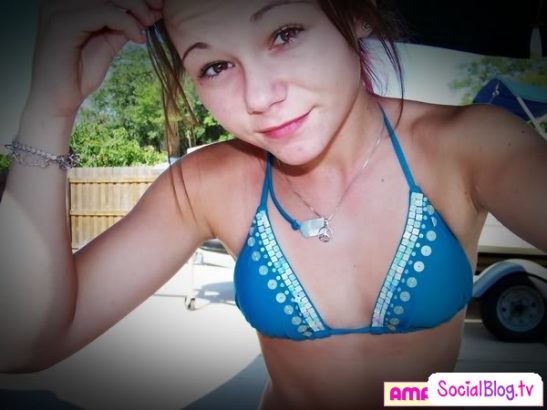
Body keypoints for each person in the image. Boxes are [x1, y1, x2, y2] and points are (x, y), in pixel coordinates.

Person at [1, 0, 546, 409]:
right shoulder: (208, 184)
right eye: (215, 66)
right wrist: (50, 106)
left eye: (285, 33)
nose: (259, 98)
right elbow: (18, 343)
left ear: (357, 12)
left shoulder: (469, 147)